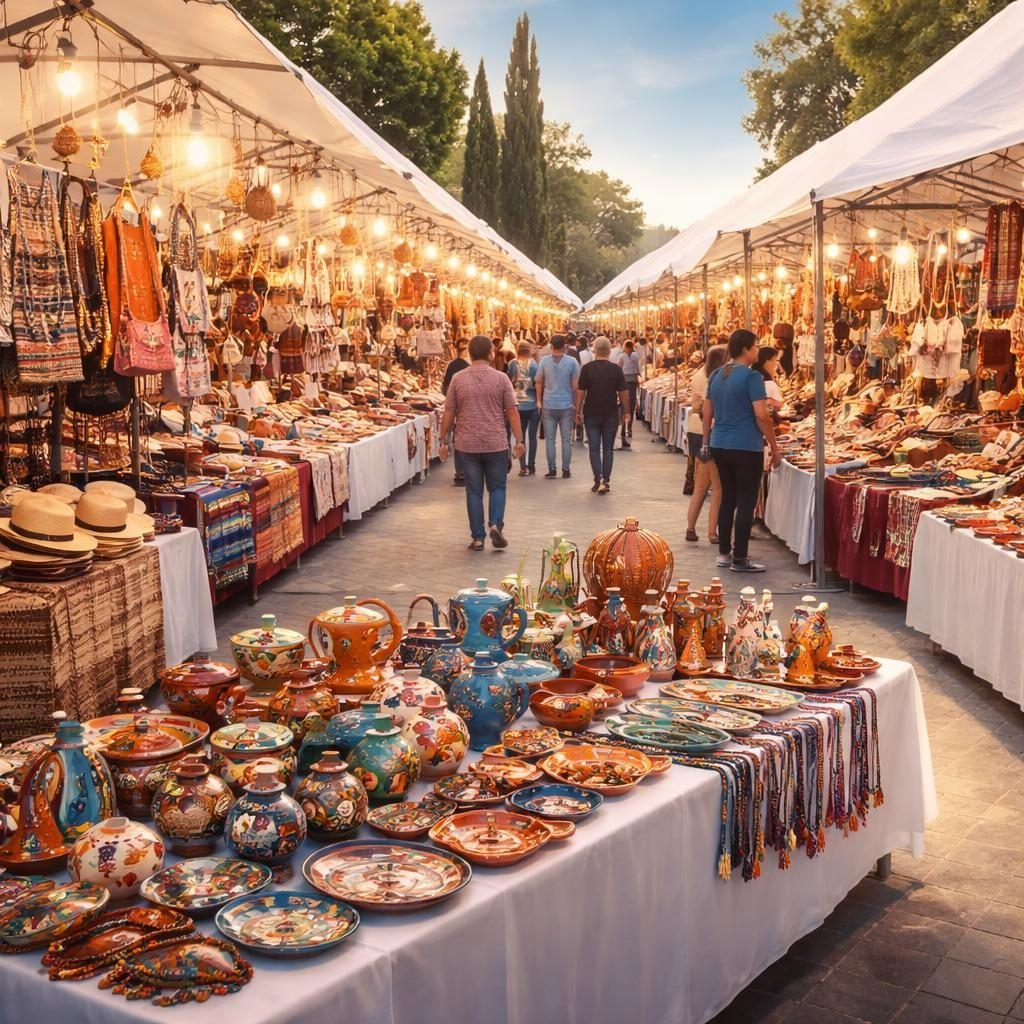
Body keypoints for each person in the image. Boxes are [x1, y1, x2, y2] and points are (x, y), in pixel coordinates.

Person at [701, 329, 781, 573]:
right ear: (746, 349)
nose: (758, 350)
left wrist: (706, 441)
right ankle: (740, 557)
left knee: (728, 499)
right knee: (746, 501)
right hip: (745, 445)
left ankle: (724, 554)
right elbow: (761, 415)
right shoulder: (751, 377)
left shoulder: (716, 375)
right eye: (756, 346)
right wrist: (774, 447)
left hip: (720, 443)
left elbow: (707, 412)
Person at [440, 335, 525, 551]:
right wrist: (519, 439)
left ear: (469, 354)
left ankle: (478, 538)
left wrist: (443, 440)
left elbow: (449, 411)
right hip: (495, 442)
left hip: (467, 443)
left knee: (473, 491)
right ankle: (495, 523)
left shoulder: (458, 379)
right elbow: (512, 411)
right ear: (490, 354)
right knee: (497, 487)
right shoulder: (501, 379)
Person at [685, 344, 727, 544]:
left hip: (696, 432)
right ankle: (712, 532)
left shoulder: (699, 374)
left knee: (701, 486)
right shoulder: (714, 378)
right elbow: (708, 410)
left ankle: (691, 528)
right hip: (709, 433)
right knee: (718, 487)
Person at [575, 336, 628, 494]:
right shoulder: (616, 369)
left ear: (595, 350)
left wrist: (577, 411)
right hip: (610, 412)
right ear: (609, 350)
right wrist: (627, 411)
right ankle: (606, 480)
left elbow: (580, 392)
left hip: (591, 412)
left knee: (593, 448)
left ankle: (597, 479)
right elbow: (624, 393)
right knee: (608, 449)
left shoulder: (586, 369)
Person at [507, 340, 539, 476]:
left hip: (518, 405)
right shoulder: (535, 364)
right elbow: (537, 384)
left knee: (520, 437)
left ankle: (523, 467)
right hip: (532, 404)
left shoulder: (512, 364)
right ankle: (531, 465)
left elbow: (509, 382)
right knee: (532, 437)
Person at [441, 340, 470, 486]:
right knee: (464, 438)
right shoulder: (468, 367)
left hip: (456, 408)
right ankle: (466, 470)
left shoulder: (452, 365)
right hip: (466, 409)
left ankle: (460, 471)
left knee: (458, 439)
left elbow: (445, 386)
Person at [620, 340, 641, 444]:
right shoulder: (626, 356)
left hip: (629, 380)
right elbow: (638, 369)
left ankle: (627, 427)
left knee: (628, 405)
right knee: (628, 405)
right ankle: (626, 427)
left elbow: (619, 368)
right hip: (630, 381)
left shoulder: (629, 356)